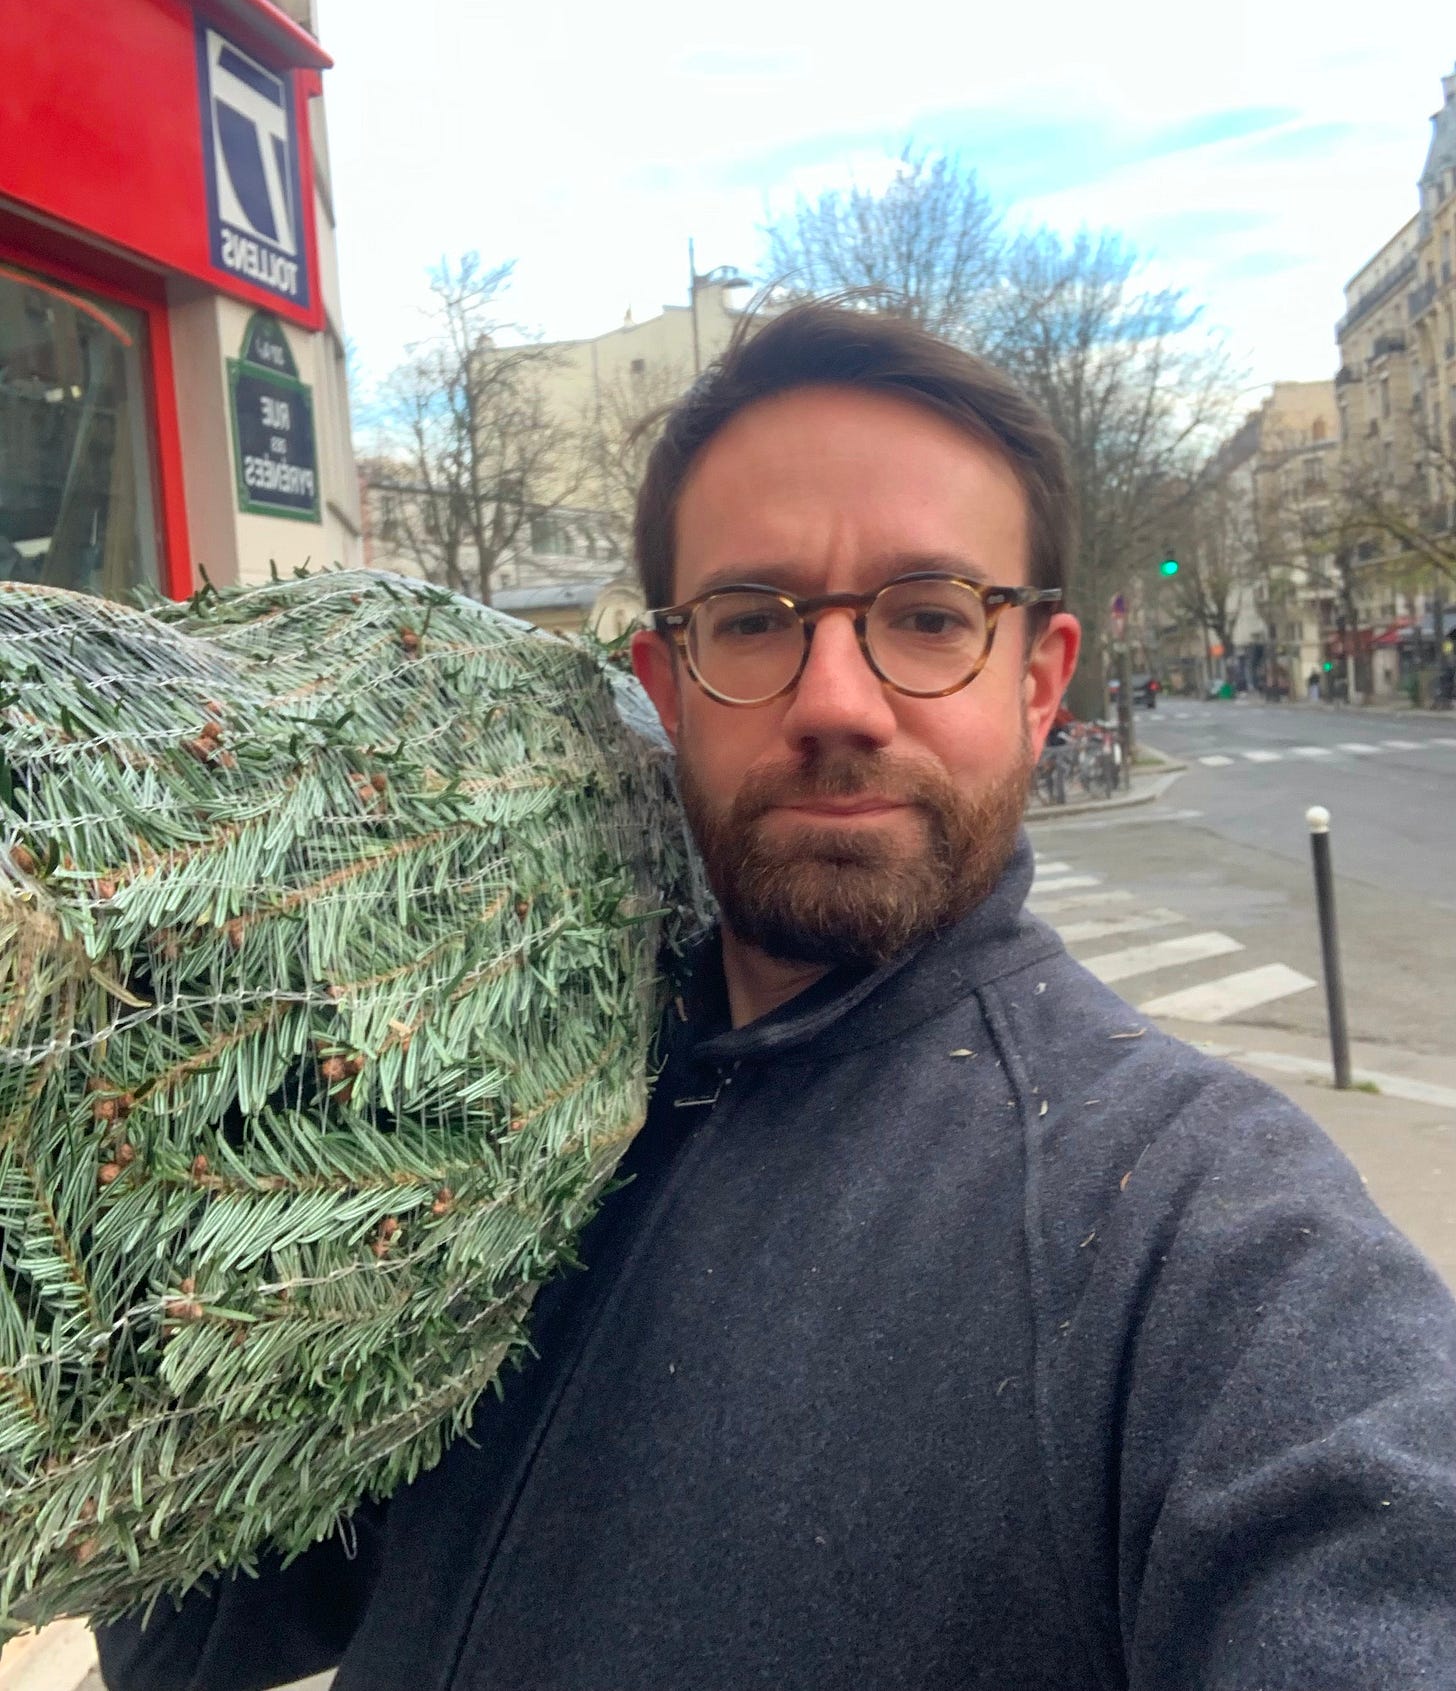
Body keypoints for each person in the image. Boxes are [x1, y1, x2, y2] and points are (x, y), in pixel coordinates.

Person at [95, 304, 1456, 1691]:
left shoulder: (1200, 1227)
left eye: (929, 616)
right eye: (754, 621)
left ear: (1041, 683)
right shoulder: (482, 1113)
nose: (837, 701)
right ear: (668, 686)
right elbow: (212, 1616)